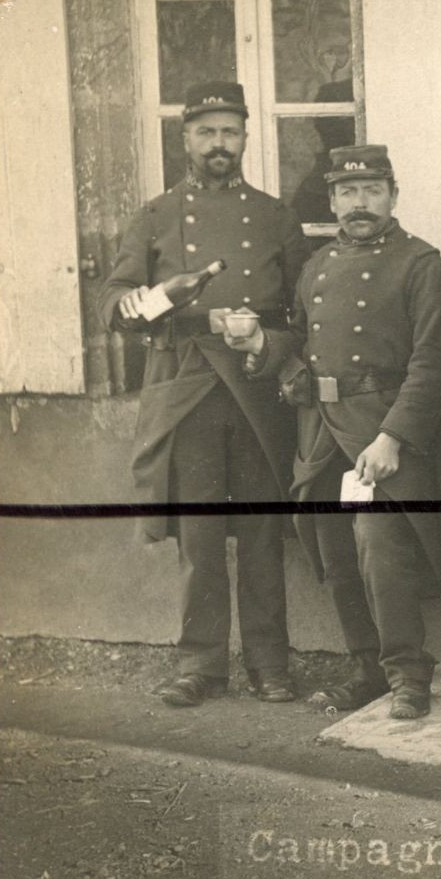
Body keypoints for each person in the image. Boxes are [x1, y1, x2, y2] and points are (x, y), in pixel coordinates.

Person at [231, 144, 441, 720]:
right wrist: (266, 349)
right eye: (349, 193)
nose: (361, 204)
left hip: (381, 431)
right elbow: (301, 342)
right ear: (333, 200)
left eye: (373, 191)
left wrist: (394, 437)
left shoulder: (420, 264)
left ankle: (408, 673)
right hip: (323, 432)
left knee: (381, 550)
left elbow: (435, 361)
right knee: (335, 556)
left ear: (393, 196)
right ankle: (367, 670)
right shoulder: (317, 265)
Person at [99, 81, 306, 708]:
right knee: (201, 537)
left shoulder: (276, 216)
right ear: (186, 138)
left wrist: (263, 339)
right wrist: (165, 298)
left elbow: (303, 313)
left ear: (246, 137)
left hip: (253, 387)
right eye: (206, 132)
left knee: (264, 536)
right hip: (186, 386)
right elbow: (114, 304)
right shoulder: (157, 215)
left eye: (230, 132)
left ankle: (271, 663)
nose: (219, 144)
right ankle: (201, 665)